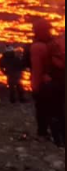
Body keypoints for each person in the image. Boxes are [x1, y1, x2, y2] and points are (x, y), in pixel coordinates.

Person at [29, 18, 65, 147]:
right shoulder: (57, 43)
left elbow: (37, 70)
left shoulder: (37, 47)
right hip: (61, 82)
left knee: (45, 110)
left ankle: (47, 135)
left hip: (48, 85)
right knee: (60, 110)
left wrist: (35, 88)